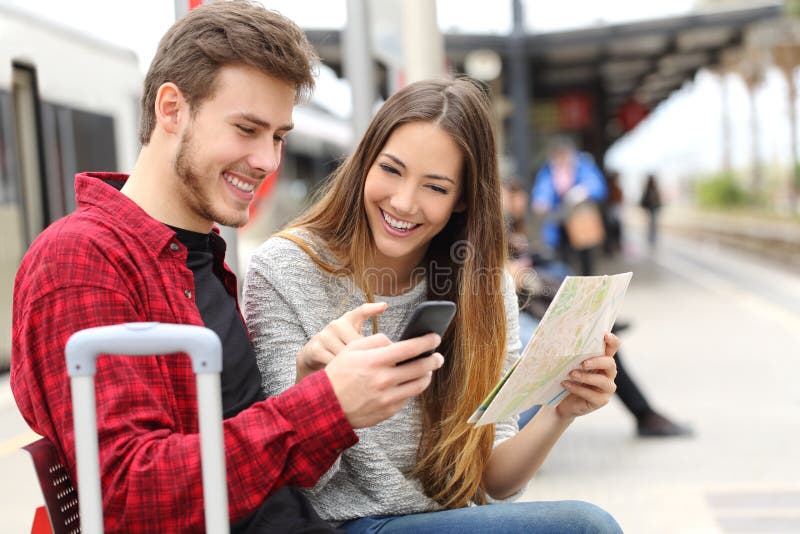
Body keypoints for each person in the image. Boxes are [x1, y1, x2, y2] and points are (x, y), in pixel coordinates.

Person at [10, 3, 443, 532]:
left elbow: (245, 462)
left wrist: (311, 388)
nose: (268, 160)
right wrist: (325, 406)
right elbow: (130, 495)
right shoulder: (82, 259)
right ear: (172, 110)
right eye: (246, 129)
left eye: (278, 136)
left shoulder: (199, 256)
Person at [244, 78, 623, 533]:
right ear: (365, 162)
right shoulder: (286, 268)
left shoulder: (482, 286)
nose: (403, 202)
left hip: (448, 520)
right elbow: (290, 478)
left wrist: (560, 409)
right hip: (340, 525)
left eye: (436, 188)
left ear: (462, 199)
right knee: (586, 528)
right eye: (391, 170)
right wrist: (318, 390)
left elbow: (493, 481)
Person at [531, 137, 608, 276]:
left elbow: (597, 186)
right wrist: (541, 201)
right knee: (561, 262)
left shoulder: (583, 165)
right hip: (558, 224)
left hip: (580, 223)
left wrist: (583, 191)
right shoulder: (548, 170)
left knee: (586, 262)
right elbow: (542, 190)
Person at [640, 173, 662, 248]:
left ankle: (653, 238)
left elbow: (658, 200)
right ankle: (650, 237)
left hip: (654, 208)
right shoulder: (648, 189)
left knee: (653, 224)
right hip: (650, 209)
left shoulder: (654, 189)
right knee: (651, 224)